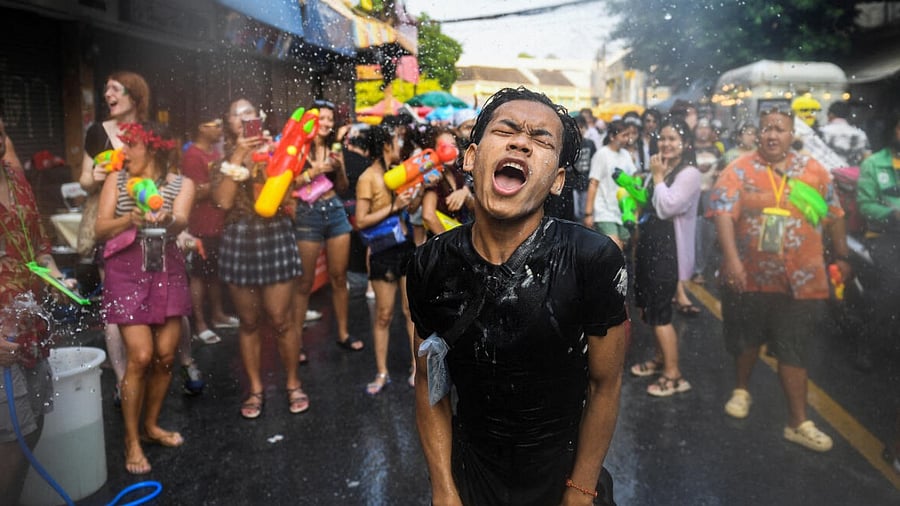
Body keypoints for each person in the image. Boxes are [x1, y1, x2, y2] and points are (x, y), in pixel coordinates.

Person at [410, 87, 627, 505]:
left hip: (564, 475)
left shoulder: (593, 260)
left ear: (558, 181)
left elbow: (606, 384)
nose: (521, 142)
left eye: (542, 140)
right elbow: (429, 384)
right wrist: (443, 488)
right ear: (471, 157)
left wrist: (581, 492)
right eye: (505, 130)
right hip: (471, 478)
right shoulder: (429, 265)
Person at [710, 105, 850, 452]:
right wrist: (732, 262)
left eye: (780, 129)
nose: (773, 134)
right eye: (767, 128)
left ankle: (797, 422)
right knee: (746, 339)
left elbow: (835, 214)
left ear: (792, 135)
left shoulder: (813, 171)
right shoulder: (739, 170)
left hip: (801, 283)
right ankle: (741, 389)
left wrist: (843, 256)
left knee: (794, 349)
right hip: (751, 278)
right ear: (758, 133)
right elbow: (724, 214)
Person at [94, 121, 194, 474]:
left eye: (131, 145)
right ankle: (131, 440)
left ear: (152, 149)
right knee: (140, 355)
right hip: (125, 271)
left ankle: (151, 426)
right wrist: (129, 219)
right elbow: (99, 228)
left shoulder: (182, 183)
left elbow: (181, 219)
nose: (124, 152)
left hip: (168, 270)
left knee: (166, 355)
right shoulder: (115, 180)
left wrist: (168, 218)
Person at [214, 98, 308, 419]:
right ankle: (255, 388)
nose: (243, 119)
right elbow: (224, 202)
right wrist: (240, 153)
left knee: (281, 319)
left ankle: (293, 382)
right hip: (240, 237)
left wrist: (280, 159)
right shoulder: (223, 156)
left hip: (275, 235)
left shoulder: (278, 147)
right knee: (250, 321)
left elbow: (288, 192)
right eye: (236, 115)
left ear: (260, 118)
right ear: (228, 123)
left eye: (249, 114)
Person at [0, 117, 75, 502]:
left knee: (32, 427)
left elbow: (39, 247)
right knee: (12, 443)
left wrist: (55, 276)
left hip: (30, 328)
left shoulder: (16, 179)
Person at [78, 71, 150, 405]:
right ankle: (124, 383)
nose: (107, 93)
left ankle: (165, 364)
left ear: (134, 96)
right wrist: (93, 176)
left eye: (115, 88)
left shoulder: (149, 133)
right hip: (111, 225)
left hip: (148, 223)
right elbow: (83, 180)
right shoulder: (97, 132)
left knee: (156, 297)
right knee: (115, 304)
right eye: (105, 87)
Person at [628, 118, 702, 394]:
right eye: (663, 138)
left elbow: (668, 207)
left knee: (660, 312)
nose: (666, 144)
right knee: (647, 309)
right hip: (649, 247)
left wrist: (657, 177)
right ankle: (660, 360)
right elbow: (647, 205)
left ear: (685, 144)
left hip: (668, 252)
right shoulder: (659, 168)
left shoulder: (689, 174)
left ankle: (674, 374)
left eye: (673, 139)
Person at [293, 99, 362, 363]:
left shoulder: (336, 149)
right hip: (307, 213)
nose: (325, 123)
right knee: (304, 283)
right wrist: (316, 171)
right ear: (309, 120)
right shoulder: (298, 149)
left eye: (329, 119)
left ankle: (343, 333)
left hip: (334, 209)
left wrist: (339, 166)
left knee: (339, 277)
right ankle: (295, 341)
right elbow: (288, 184)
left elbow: (343, 186)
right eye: (321, 118)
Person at [355, 124, 418, 394]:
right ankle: (382, 372)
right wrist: (394, 207)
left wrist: (414, 196)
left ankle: (418, 368)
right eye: (395, 142)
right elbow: (360, 220)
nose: (399, 146)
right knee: (383, 315)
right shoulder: (367, 178)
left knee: (410, 312)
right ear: (384, 147)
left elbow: (411, 209)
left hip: (405, 248)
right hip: (382, 253)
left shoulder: (399, 172)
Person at [181, 112, 237, 345]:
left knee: (213, 273)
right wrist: (213, 187)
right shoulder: (192, 155)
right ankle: (200, 324)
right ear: (200, 128)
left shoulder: (215, 153)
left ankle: (218, 315)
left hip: (217, 222)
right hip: (199, 224)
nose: (218, 129)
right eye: (213, 125)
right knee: (198, 275)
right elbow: (192, 191)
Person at [856, 113, 900, 367]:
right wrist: (892, 215)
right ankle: (868, 345)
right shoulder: (873, 164)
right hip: (883, 236)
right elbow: (865, 205)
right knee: (893, 286)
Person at [584, 119, 638, 250]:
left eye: (628, 135)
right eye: (623, 135)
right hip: (604, 210)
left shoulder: (625, 155)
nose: (627, 139)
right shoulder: (602, 154)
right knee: (614, 247)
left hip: (623, 211)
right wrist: (588, 213)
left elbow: (633, 180)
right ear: (612, 136)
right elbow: (593, 183)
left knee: (621, 249)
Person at [422, 127, 473, 236]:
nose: (450, 150)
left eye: (453, 146)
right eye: (444, 147)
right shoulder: (433, 176)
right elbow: (428, 215)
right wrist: (446, 242)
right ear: (434, 150)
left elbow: (474, 208)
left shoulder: (456, 172)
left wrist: (465, 193)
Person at [819, 101, 871, 167]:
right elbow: (867, 157)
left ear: (831, 115)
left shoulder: (821, 132)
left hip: (826, 173)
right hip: (851, 174)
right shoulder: (860, 134)